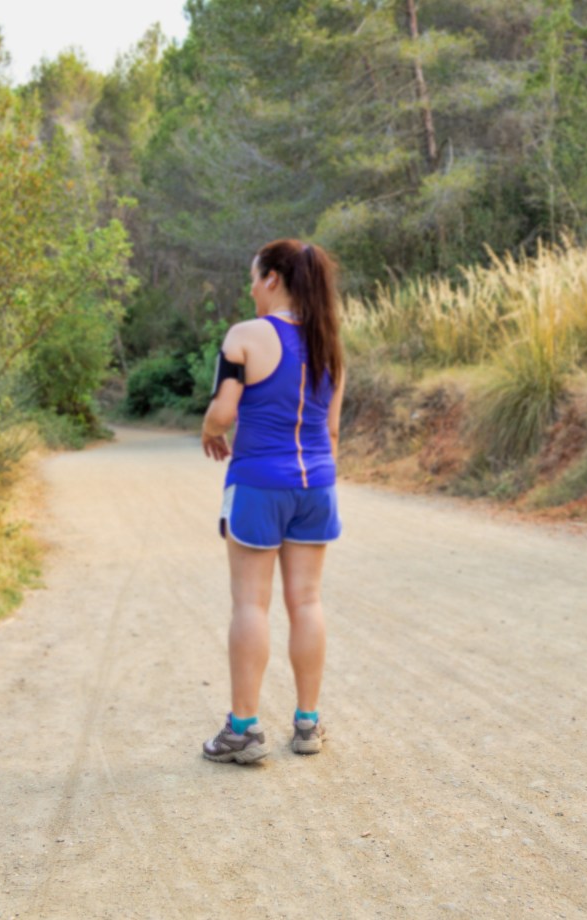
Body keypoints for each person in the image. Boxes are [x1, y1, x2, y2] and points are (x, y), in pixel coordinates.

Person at [200, 239, 346, 764]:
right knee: (307, 602)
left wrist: (209, 429)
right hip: (316, 486)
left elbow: (223, 412)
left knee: (250, 604)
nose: (249, 287)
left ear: (272, 279)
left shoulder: (246, 335)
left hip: (259, 482)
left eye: (253, 276)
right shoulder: (329, 342)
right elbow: (330, 431)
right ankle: (307, 724)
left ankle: (244, 731)